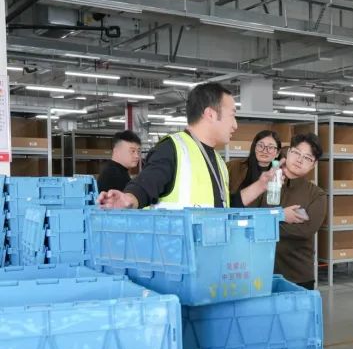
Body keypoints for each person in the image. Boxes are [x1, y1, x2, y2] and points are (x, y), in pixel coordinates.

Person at [97, 83, 274, 209]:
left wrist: (261, 185)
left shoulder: (218, 160)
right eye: (232, 115)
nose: (235, 125)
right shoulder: (173, 149)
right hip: (177, 250)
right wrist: (128, 198)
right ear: (211, 114)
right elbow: (146, 184)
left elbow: (223, 207)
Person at [258, 133, 326, 290]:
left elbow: (305, 230)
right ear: (288, 153)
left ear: (314, 164)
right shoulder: (264, 184)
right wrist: (282, 216)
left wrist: (265, 224)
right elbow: (249, 218)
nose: (300, 160)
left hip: (298, 276)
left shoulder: (316, 195)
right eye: (296, 152)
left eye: (307, 158)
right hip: (261, 273)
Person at [228, 130, 282, 197]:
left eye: (270, 147)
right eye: (260, 146)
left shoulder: (279, 174)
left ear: (277, 153)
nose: (265, 151)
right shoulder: (234, 167)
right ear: (254, 148)